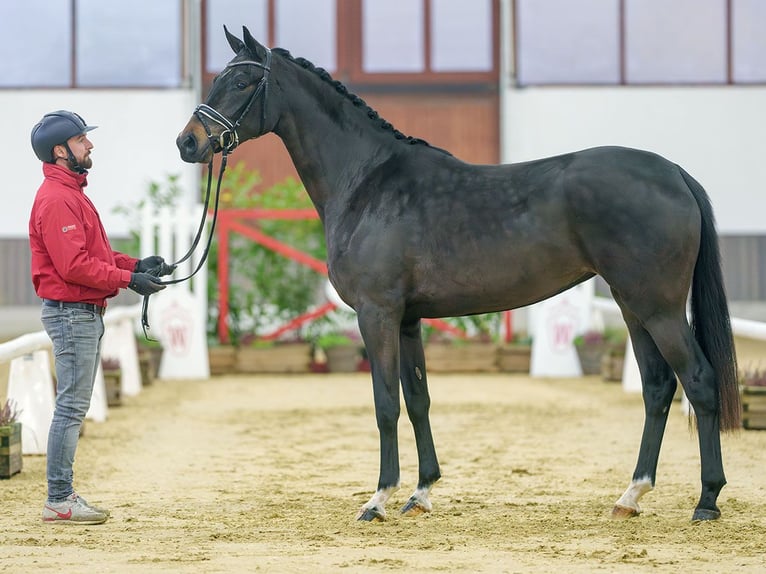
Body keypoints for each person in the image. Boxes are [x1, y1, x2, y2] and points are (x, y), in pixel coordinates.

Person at [29, 110, 175, 525]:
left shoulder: (71, 194)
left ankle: (62, 495)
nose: (89, 145)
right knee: (71, 408)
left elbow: (93, 256)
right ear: (61, 151)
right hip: (73, 314)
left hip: (82, 312)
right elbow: (75, 266)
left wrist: (136, 264)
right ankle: (59, 499)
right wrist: (129, 280)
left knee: (73, 406)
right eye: (80, 140)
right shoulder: (58, 199)